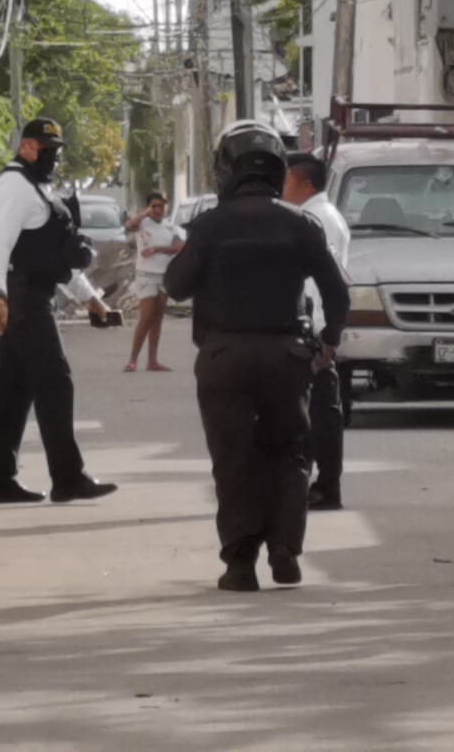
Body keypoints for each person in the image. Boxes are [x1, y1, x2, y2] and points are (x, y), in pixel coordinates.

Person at [163, 121, 348, 592]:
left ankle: (240, 563)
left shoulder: (207, 226)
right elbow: (336, 291)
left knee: (233, 458)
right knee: (289, 453)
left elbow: (175, 286)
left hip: (224, 357)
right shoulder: (301, 224)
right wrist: (329, 340)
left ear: (228, 169)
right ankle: (285, 549)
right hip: (287, 356)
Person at [0, 117, 119, 506]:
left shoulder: (37, 190)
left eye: (57, 151)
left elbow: (51, 255)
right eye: (47, 150)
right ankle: (68, 477)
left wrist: (89, 297)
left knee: (12, 390)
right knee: (55, 382)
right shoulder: (13, 188)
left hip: (32, 295)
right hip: (21, 301)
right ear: (26, 147)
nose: (54, 158)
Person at [283, 153, 352, 511]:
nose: (281, 189)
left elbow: (317, 285)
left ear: (305, 184)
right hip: (321, 329)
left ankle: (324, 486)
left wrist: (318, 336)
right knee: (320, 413)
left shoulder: (316, 219)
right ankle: (318, 483)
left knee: (320, 416)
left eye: (286, 181)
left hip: (317, 331)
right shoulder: (323, 216)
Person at [124, 191, 185, 373]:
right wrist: (144, 213)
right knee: (146, 316)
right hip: (146, 275)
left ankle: (152, 361)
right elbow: (129, 225)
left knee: (157, 319)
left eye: (162, 206)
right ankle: (133, 359)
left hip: (164, 275)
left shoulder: (170, 226)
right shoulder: (143, 223)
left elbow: (178, 247)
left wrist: (157, 249)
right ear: (149, 207)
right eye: (155, 206)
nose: (159, 210)